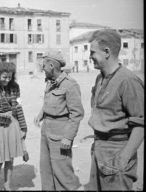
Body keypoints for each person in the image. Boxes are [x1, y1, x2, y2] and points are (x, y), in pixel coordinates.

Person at [86, 29, 144, 190]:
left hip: (117, 152)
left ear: (106, 52)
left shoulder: (128, 81)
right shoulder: (100, 78)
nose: (89, 57)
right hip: (99, 148)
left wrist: (125, 156)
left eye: (92, 52)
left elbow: (141, 123)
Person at [34, 51, 84, 190]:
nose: (42, 68)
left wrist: (68, 137)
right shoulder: (50, 82)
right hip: (46, 129)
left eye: (43, 66)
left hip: (60, 132)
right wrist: (41, 113)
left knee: (62, 172)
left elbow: (77, 113)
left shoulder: (70, 84)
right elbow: (50, 101)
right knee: (46, 170)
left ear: (51, 65)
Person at [0, 62, 28, 190]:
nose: (7, 80)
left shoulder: (15, 87)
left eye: (10, 77)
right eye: (4, 77)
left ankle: (7, 186)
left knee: (10, 159)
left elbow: (18, 107)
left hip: (12, 125)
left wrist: (23, 126)